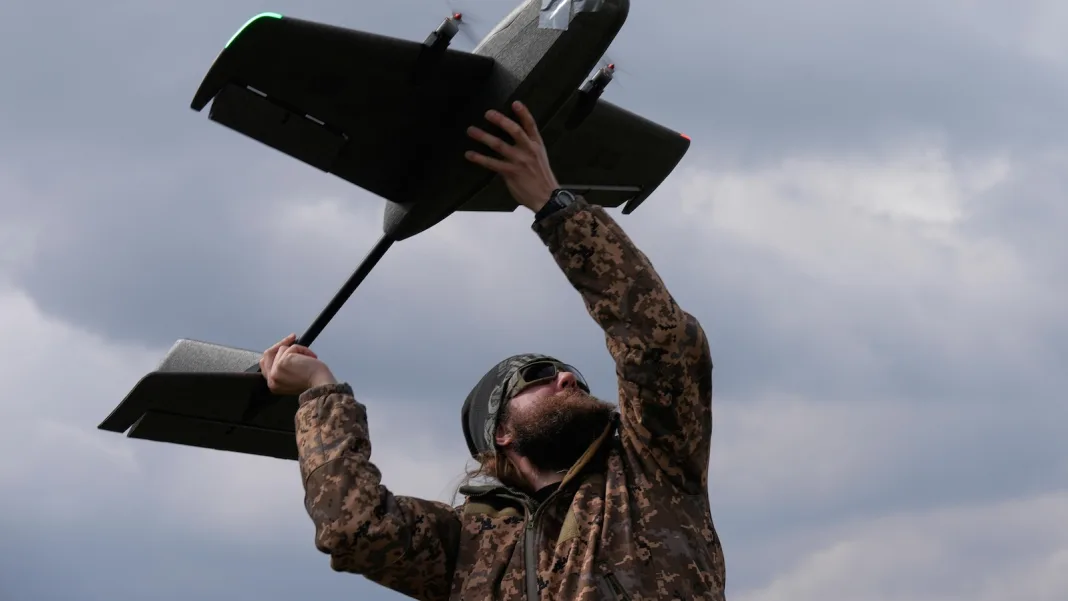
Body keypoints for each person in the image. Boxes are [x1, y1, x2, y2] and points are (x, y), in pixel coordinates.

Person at [259, 101, 725, 600]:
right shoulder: (467, 546)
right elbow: (354, 529)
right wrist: (320, 392)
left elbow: (660, 341)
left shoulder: (651, 467)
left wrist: (554, 206)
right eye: (538, 376)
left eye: (569, 376)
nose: (567, 379)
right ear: (500, 433)